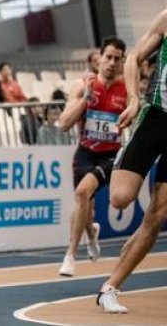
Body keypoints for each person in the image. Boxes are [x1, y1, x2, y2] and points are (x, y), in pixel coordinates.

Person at [96, 12, 167, 314]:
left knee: (157, 215)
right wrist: (133, 98)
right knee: (120, 198)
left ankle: (109, 288)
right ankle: (126, 151)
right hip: (154, 116)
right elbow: (134, 56)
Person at [56, 37, 128, 277]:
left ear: (122, 62)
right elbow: (64, 124)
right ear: (99, 58)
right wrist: (86, 98)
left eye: (117, 59)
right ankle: (91, 234)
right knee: (84, 204)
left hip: (110, 156)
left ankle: (70, 256)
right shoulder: (83, 85)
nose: (111, 63)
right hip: (85, 153)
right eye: (108, 57)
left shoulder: (127, 89)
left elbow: (136, 121)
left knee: (81, 193)